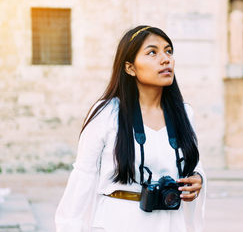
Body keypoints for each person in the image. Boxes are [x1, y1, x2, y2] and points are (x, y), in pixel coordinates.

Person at [55, 26, 206, 232]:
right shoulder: (107, 113)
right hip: (119, 223)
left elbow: (195, 167)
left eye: (168, 51)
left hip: (171, 223)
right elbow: (83, 176)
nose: (165, 59)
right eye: (152, 52)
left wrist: (197, 180)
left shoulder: (184, 114)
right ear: (130, 67)